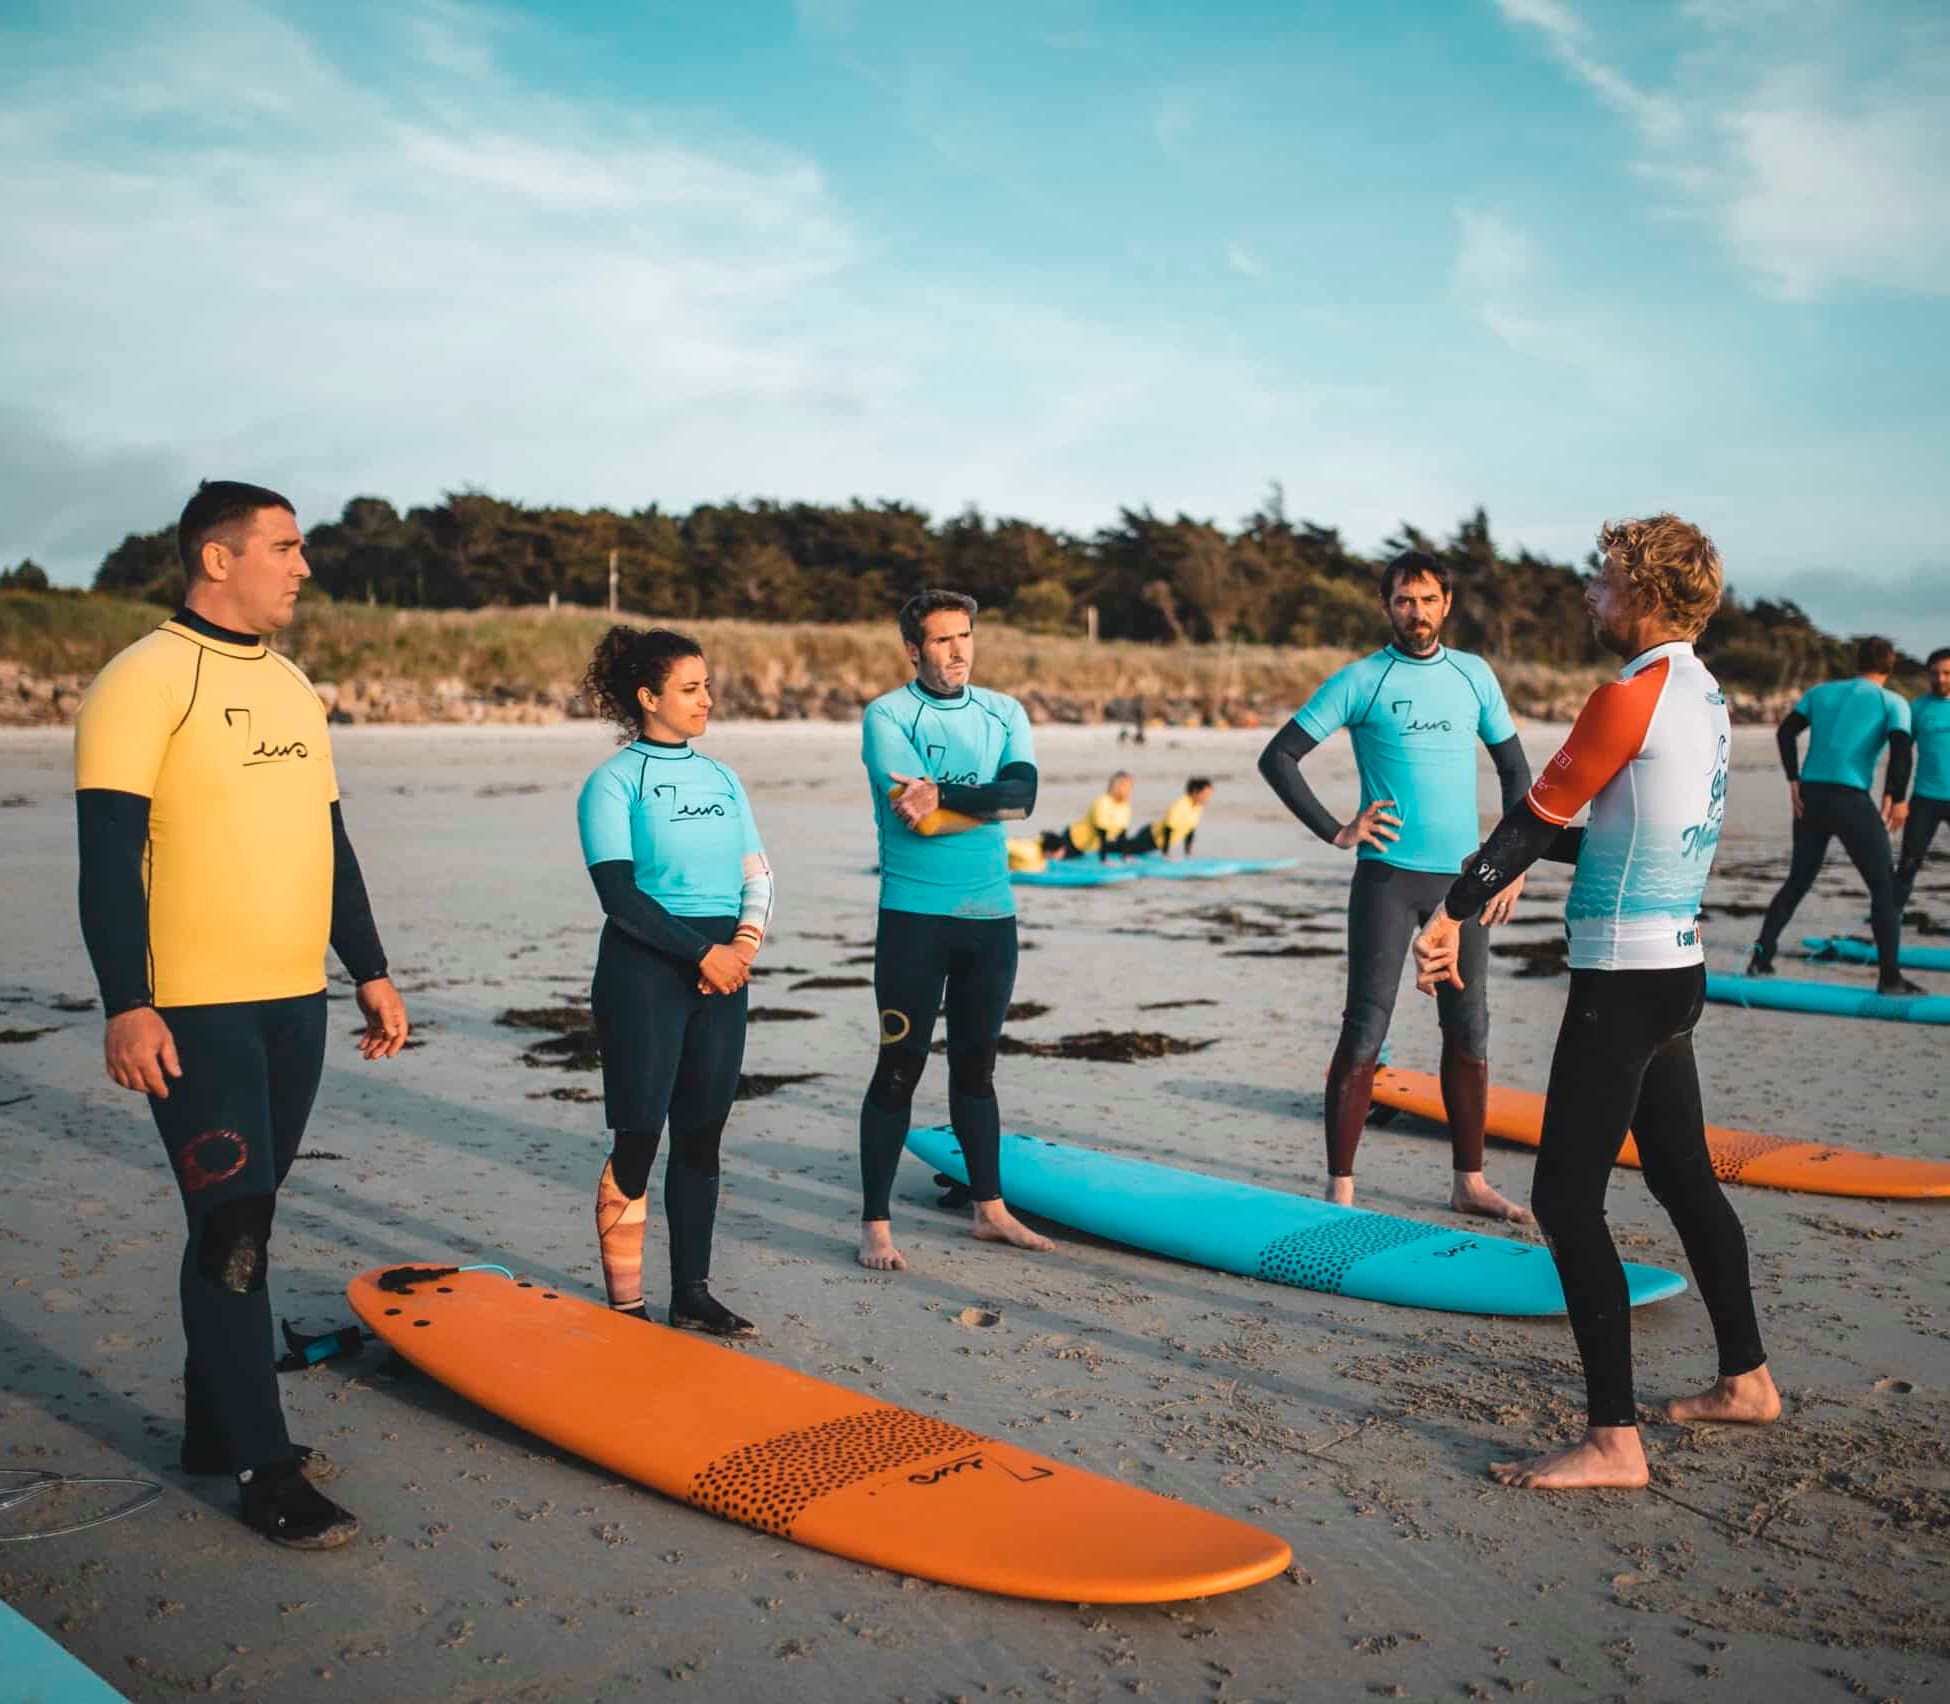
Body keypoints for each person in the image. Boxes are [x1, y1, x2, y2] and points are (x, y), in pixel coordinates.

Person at [73, 481, 409, 1550]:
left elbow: (331, 842)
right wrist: (129, 1002)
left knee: (247, 1218)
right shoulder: (143, 680)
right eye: (284, 547)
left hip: (292, 1004)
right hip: (196, 1009)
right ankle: (264, 1469)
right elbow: (106, 862)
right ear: (217, 559)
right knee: (233, 1230)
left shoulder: (297, 689)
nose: (303, 568)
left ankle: (217, 1428)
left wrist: (369, 967)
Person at [1413, 513, 1778, 1492]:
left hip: (1622, 984)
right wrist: (1518, 863)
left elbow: (1536, 817)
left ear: (1647, 595)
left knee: (1566, 1199)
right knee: (1683, 1176)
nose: (1590, 594)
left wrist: (1452, 908)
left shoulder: (1628, 696)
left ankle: (1614, 1440)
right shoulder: (1707, 696)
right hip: (1677, 973)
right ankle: (1746, 1378)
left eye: (1605, 580)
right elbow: (1622, 829)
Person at [1258, 550, 1533, 1222]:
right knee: (1364, 1030)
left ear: (1447, 604)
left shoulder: (1473, 676)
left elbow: (1518, 775)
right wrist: (1337, 829)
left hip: (1461, 887)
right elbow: (1279, 757)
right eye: (1404, 600)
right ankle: (1340, 1191)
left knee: (1468, 1030)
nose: (1417, 612)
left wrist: (1509, 864)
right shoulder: (1363, 680)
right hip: (1386, 879)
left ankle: (1468, 1182)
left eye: (1428, 599)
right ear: (1387, 606)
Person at [576, 627, 773, 1339]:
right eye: (690, 688)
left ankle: (692, 1293)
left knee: (702, 1136)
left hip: (724, 971)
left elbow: (758, 873)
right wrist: (703, 953)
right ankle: (627, 1305)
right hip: (645, 973)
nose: (706, 700)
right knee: (639, 1136)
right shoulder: (614, 782)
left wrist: (743, 943)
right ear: (647, 696)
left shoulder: (721, 778)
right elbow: (619, 897)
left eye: (707, 686)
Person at [856, 589, 1054, 1271]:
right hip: (914, 920)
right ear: (914, 649)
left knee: (977, 1071)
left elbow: (1024, 799)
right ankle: (875, 1224)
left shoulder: (1005, 712)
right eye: (942, 640)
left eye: (965, 635)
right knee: (899, 1070)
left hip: (990, 922)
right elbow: (921, 819)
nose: (958, 650)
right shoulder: (887, 716)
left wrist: (944, 790)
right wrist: (981, 803)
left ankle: (990, 1209)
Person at [1747, 637, 1920, 994]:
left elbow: (1786, 732)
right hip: (1850, 799)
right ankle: (1890, 978)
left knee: (1798, 880)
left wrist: (1793, 780)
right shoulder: (1893, 702)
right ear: (1890, 665)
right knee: (1883, 888)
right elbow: (1902, 753)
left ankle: (1761, 958)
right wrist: (1895, 798)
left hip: (1810, 796)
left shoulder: (1821, 693)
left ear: (1856, 661)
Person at [1894, 647, 1950, 919]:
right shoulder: (1917, 708)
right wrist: (1897, 799)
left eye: (1947, 673)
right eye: (1935, 673)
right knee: (1908, 863)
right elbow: (1901, 757)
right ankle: (1890, 915)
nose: (1940, 679)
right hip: (1926, 797)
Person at [1039, 771, 1134, 861]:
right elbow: (1102, 832)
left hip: (1085, 847)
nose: (1129, 790)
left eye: (1130, 786)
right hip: (1072, 839)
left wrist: (1125, 856)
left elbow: (1122, 834)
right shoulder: (1103, 802)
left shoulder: (1125, 806)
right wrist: (1104, 860)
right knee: (1047, 854)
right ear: (1117, 786)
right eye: (1126, 786)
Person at [1112, 778, 1214, 858]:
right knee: (1125, 849)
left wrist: (1188, 853)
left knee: (1129, 849)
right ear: (1195, 792)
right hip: (1149, 836)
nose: (1208, 798)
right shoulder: (1180, 805)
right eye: (1205, 794)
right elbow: (1168, 829)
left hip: (1157, 842)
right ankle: (1100, 848)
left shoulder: (1197, 807)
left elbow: (1190, 831)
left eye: (1209, 794)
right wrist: (1165, 854)